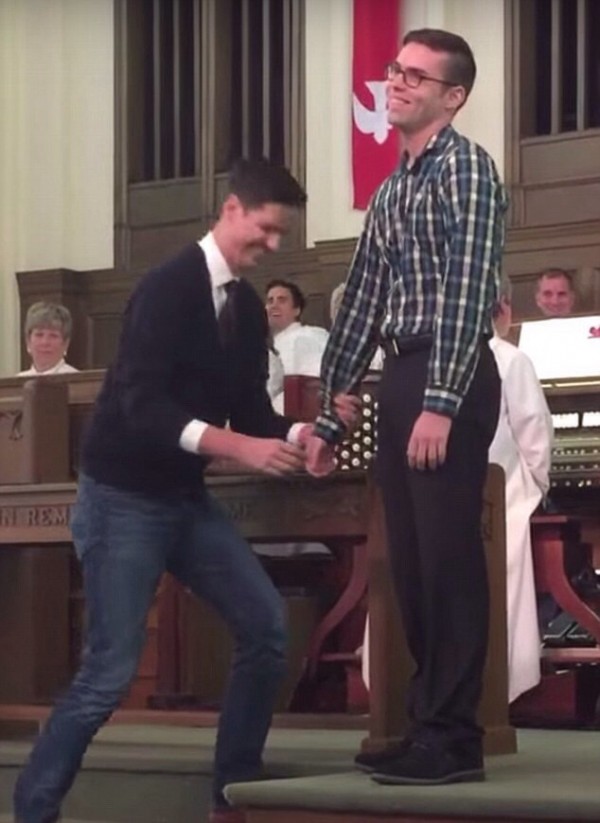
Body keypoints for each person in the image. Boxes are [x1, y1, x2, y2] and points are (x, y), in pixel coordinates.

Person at [13, 158, 356, 823]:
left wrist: (303, 432)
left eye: (282, 235)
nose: (273, 245)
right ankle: (34, 810)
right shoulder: (166, 288)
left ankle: (232, 796)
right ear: (231, 210)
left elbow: (250, 412)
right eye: (265, 229)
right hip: (121, 496)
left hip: (183, 500)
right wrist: (240, 448)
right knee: (108, 673)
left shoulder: (246, 307)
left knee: (265, 628)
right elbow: (141, 406)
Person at [307, 28, 508, 786]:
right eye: (396, 70)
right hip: (399, 375)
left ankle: (455, 738)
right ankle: (428, 722)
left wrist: (442, 400)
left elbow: (468, 289)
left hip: (446, 373)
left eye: (416, 76)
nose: (396, 83)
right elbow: (362, 300)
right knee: (413, 565)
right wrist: (331, 415)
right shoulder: (393, 188)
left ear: (453, 97)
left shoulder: (467, 169)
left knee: (449, 559)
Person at [489, 277, 553, 703]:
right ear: (504, 309)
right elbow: (535, 435)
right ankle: (504, 681)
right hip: (504, 495)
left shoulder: (426, 359)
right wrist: (540, 487)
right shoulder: (511, 359)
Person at [265, 279, 328, 411]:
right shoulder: (265, 346)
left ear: (296, 310)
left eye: (282, 300)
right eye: (270, 301)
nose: (274, 306)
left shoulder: (308, 336)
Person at [17, 301, 78, 376]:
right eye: (39, 335)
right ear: (28, 341)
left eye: (53, 336)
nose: (45, 342)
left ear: (65, 344)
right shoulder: (17, 380)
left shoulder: (77, 379)